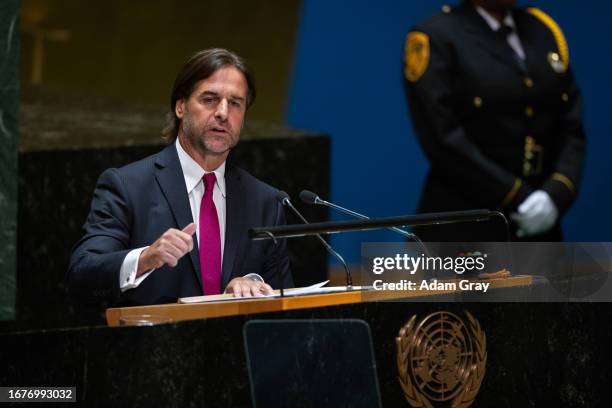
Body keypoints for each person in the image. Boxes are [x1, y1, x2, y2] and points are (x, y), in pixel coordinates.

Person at [68, 48, 292, 306]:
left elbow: (284, 303)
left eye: (235, 103)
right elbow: (82, 273)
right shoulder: (129, 186)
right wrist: (146, 258)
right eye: (209, 99)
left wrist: (252, 285)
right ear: (180, 107)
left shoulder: (265, 201)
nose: (222, 112)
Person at [404, 1, 585, 242]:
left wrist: (556, 193)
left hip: (541, 224)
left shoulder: (542, 29)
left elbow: (571, 124)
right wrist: (518, 196)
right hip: (464, 225)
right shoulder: (437, 36)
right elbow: (442, 138)